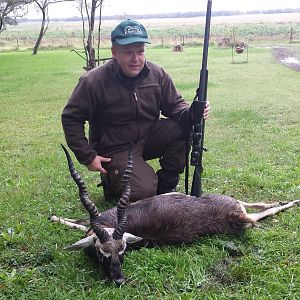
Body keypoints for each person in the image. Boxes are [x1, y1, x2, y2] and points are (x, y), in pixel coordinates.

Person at [62, 19, 211, 201]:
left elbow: (175, 106)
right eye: (128, 52)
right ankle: (114, 180)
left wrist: (194, 112)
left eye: (140, 51)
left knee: (183, 128)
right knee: (142, 192)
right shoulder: (93, 81)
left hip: (148, 136)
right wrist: (88, 156)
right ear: (114, 52)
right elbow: (71, 118)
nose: (136, 59)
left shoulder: (157, 74)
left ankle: (165, 188)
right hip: (115, 147)